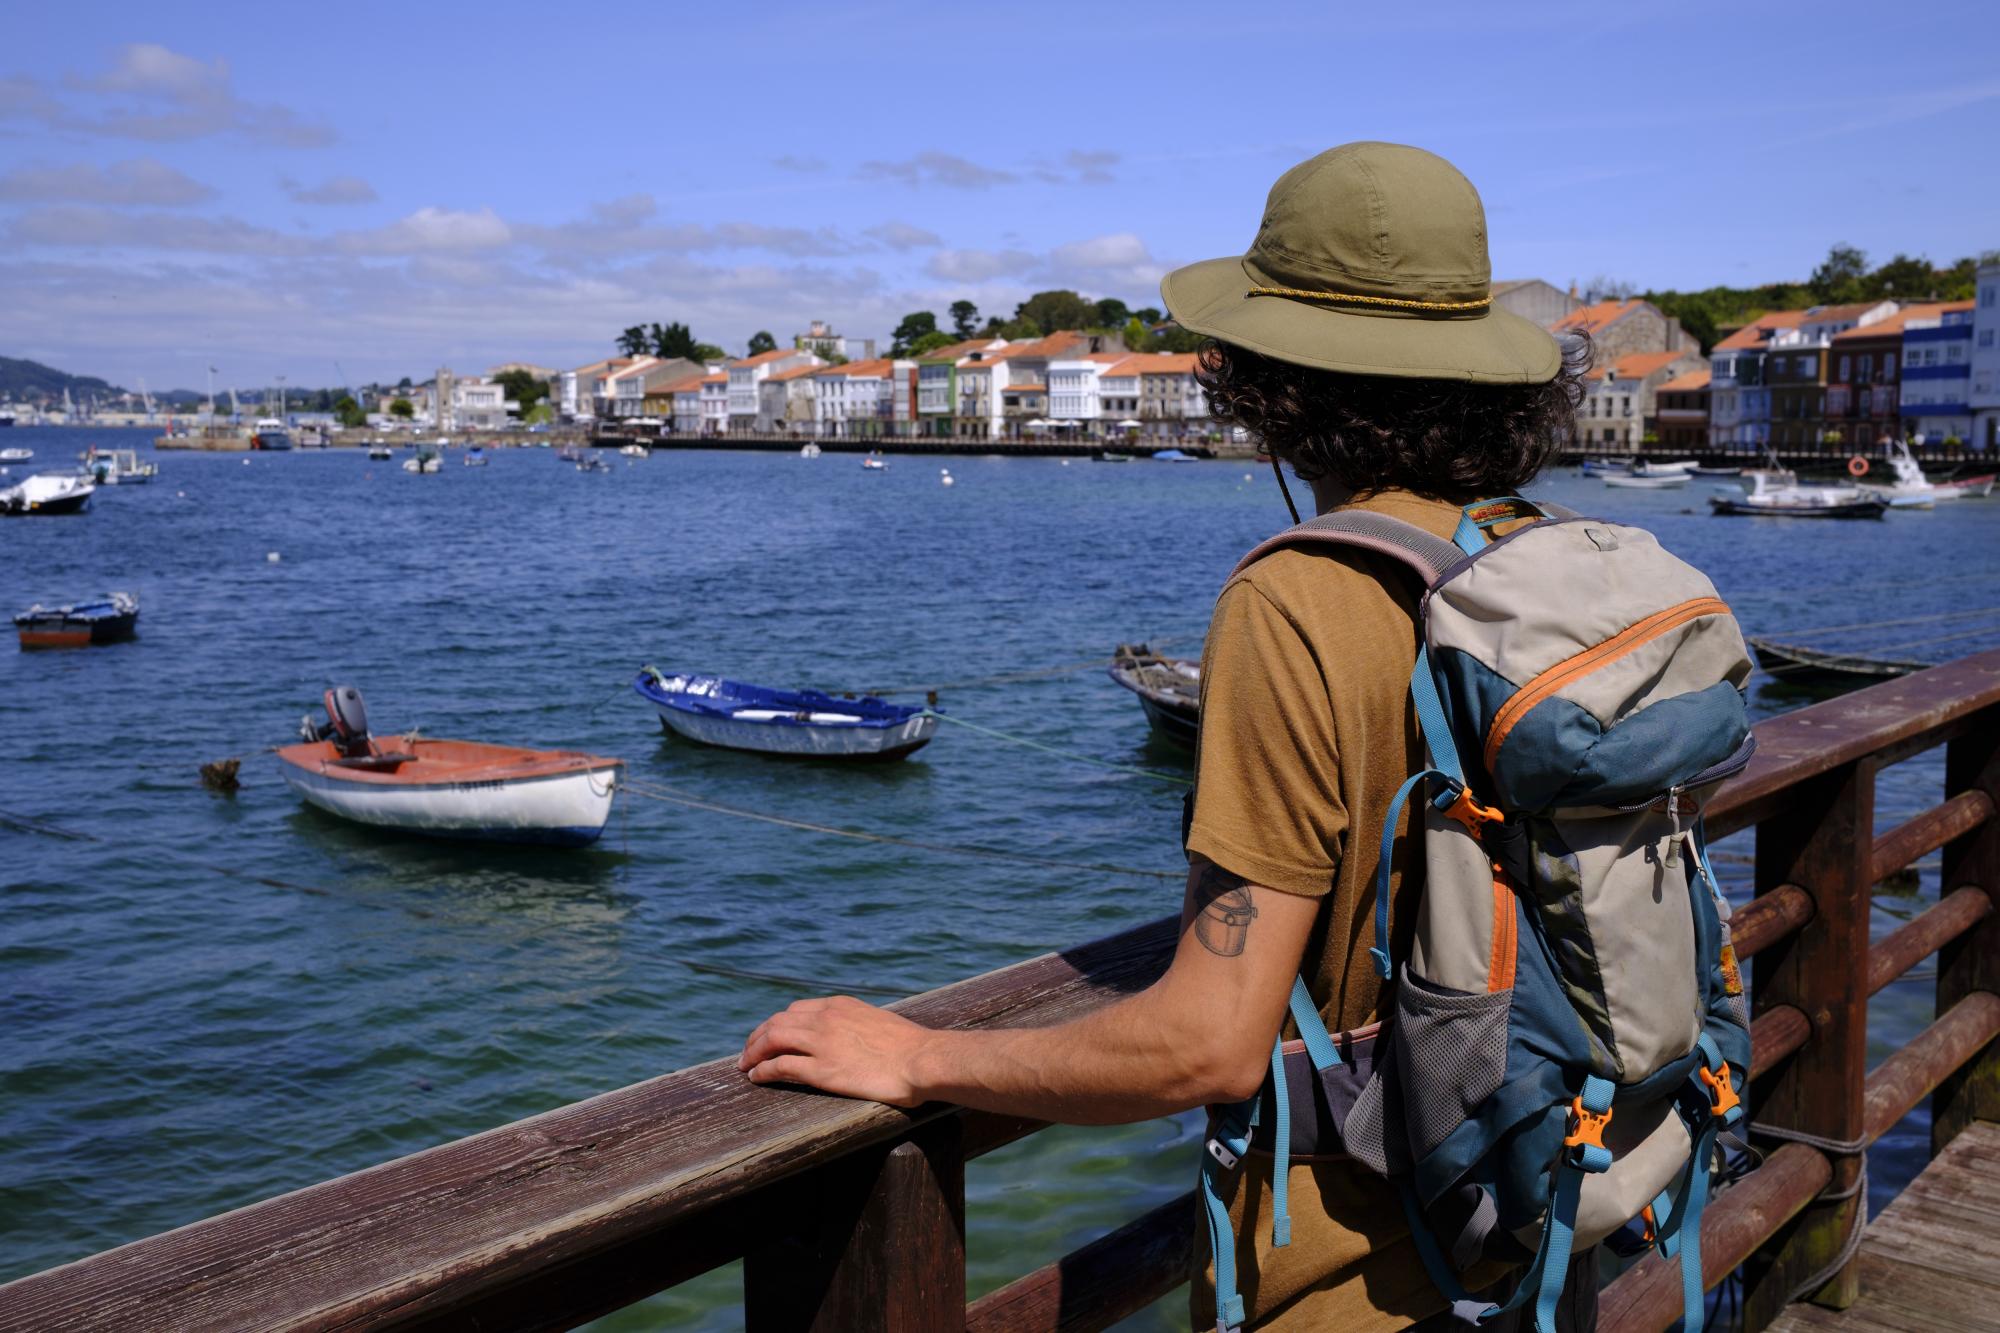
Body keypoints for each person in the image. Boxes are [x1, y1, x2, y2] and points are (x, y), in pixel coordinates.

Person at [738, 142, 1592, 1331]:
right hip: (1552, 1223)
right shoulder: (1542, 557)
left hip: (1365, 1276)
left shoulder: (1297, 598)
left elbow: (1204, 1045)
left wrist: (915, 1056)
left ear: (1268, 375)